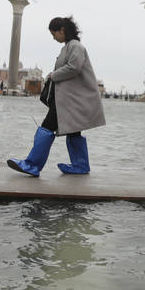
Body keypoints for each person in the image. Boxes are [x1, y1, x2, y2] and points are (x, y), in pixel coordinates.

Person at [8, 17, 105, 176]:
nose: (53, 37)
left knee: (47, 126)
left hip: (69, 101)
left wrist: (53, 75)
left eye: (54, 34)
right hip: (71, 99)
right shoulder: (69, 47)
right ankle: (81, 166)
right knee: (74, 131)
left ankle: (32, 165)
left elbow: (74, 67)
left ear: (62, 30)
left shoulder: (75, 46)